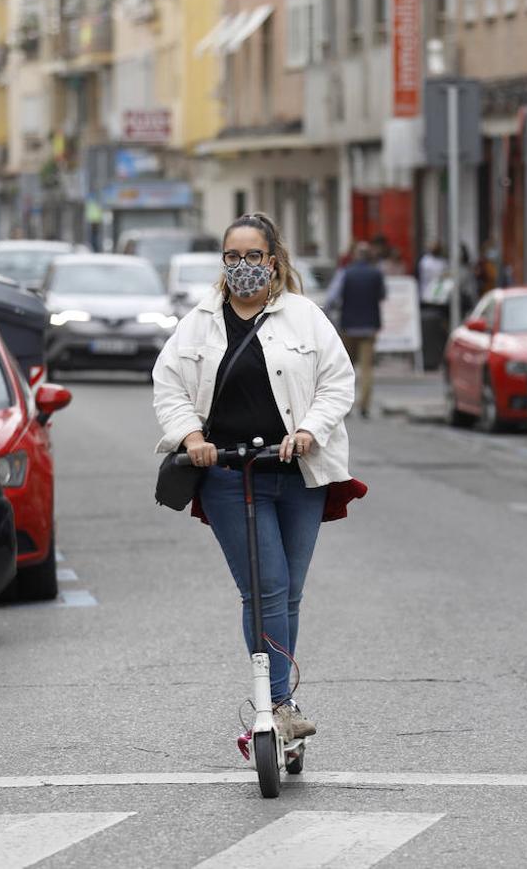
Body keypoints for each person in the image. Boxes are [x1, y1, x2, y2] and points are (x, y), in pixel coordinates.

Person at [153, 212, 356, 743]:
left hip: (297, 474)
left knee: (288, 594)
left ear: (273, 260)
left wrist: (310, 430)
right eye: (232, 256)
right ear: (223, 262)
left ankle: (281, 701)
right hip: (227, 475)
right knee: (265, 590)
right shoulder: (198, 322)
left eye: (253, 256)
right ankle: (278, 705)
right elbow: (169, 386)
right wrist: (192, 439)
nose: (243, 266)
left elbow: (337, 383)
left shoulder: (306, 318)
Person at [334, 242, 387, 419]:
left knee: (346, 367)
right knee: (367, 368)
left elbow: (333, 297)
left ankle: (345, 405)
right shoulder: (376, 273)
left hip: (348, 326)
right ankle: (364, 405)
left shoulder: (345, 273)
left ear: (356, 255)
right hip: (369, 327)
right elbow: (383, 295)